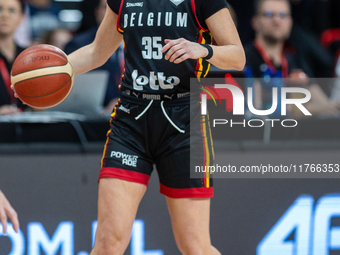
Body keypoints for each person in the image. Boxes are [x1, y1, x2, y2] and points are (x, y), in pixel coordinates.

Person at [15, 0, 244, 253]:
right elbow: (96, 53)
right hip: (132, 118)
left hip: (184, 121)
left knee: (195, 247)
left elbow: (238, 57)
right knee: (108, 242)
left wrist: (203, 49)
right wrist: (43, 75)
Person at [245, 0, 340, 118]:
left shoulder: (295, 59)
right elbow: (257, 108)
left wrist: (331, 107)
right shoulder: (245, 58)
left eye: (283, 15)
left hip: (295, 133)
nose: (277, 20)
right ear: (255, 22)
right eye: (269, 14)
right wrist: (305, 108)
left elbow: (326, 105)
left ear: (290, 22)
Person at [64, 0, 121, 114]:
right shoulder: (78, 44)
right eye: (106, 8)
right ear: (97, 12)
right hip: (96, 115)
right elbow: (95, 54)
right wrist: (44, 74)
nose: (113, 13)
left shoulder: (139, 42)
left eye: (117, 9)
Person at [0, 0, 27, 115]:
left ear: (21, 17)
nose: (5, 15)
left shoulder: (29, 56)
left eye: (12, 10)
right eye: (0, 9)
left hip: (27, 125)